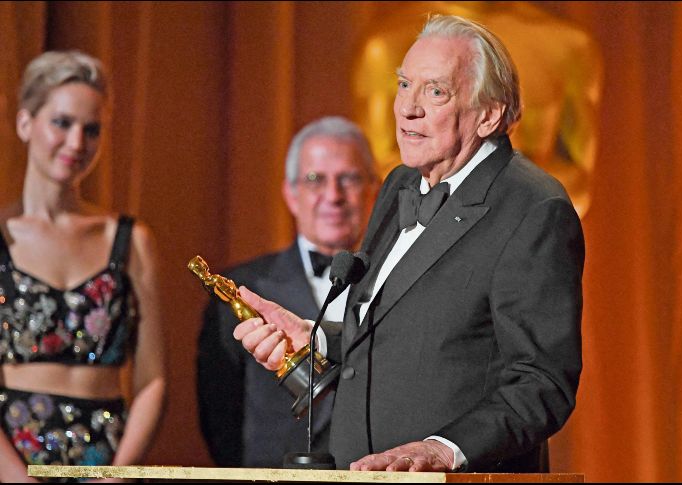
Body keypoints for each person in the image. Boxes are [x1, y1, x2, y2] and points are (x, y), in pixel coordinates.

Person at [234, 14, 584, 473]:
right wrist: (315, 339)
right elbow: (409, 335)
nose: (407, 109)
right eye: (404, 85)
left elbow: (541, 381)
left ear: (489, 115)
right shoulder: (400, 184)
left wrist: (443, 450)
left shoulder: (532, 207)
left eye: (435, 91)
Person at [0, 51, 166, 482]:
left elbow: (152, 380)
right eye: (62, 123)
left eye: (91, 129)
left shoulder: (130, 239)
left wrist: (117, 475)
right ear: (24, 123)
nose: (76, 143)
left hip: (107, 460)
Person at [197, 116, 378, 468]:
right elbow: (219, 417)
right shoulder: (242, 289)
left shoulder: (402, 284)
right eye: (315, 180)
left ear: (374, 189)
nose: (333, 196)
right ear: (291, 195)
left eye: (349, 178)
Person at [351, 1, 602, 218]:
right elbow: (378, 179)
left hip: (527, 243)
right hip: (431, 247)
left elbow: (579, 187)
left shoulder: (569, 45)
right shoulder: (387, 45)